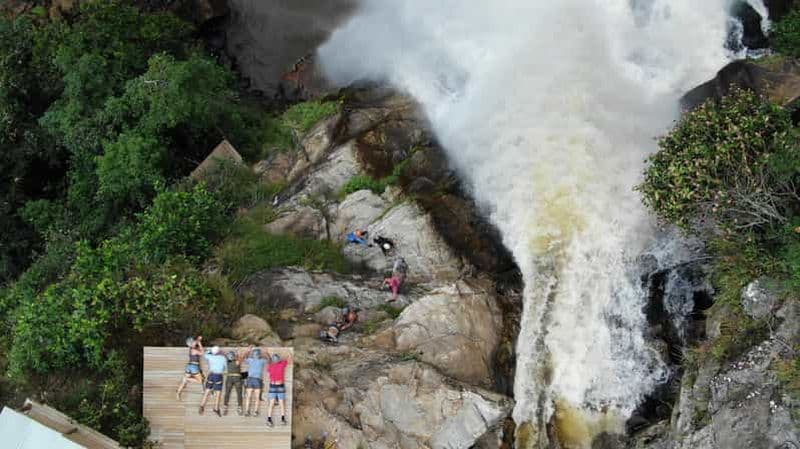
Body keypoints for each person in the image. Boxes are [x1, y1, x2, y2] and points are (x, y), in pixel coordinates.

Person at [265, 351, 292, 427]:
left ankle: (274, 419)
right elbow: (289, 359)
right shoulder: (281, 364)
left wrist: (289, 353)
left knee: (277, 403)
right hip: (278, 386)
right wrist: (289, 353)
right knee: (277, 403)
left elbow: (268, 359)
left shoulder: (271, 365)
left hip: (275, 386)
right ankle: (273, 419)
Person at [199, 345, 226, 416]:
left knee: (207, 391)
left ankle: (202, 406)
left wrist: (210, 351)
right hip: (218, 376)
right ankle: (216, 408)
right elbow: (225, 368)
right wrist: (223, 353)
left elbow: (204, 353)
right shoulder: (223, 358)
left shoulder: (209, 356)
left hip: (211, 375)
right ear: (219, 352)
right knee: (218, 394)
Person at [176, 336, 205, 400]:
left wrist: (198, 339)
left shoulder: (191, 348)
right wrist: (200, 344)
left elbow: (195, 342)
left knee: (183, 382)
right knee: (200, 380)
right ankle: (188, 379)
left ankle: (178, 393)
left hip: (189, 366)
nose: (195, 343)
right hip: (194, 367)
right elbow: (202, 353)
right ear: (191, 344)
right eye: (194, 342)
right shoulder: (194, 350)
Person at [223, 347, 249, 416]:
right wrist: (247, 350)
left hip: (229, 378)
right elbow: (242, 357)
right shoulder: (237, 362)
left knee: (227, 393)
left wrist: (237, 352)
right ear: (234, 357)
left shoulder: (227, 362)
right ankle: (239, 408)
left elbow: (231, 356)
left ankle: (225, 407)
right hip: (237, 378)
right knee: (239, 394)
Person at [243, 347, 267, 417]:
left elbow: (244, 358)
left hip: (253, 379)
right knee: (253, 397)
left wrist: (247, 351)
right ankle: (252, 411)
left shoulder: (254, 360)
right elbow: (269, 360)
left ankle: (251, 411)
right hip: (255, 380)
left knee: (251, 397)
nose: (256, 355)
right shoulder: (260, 360)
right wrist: (266, 353)